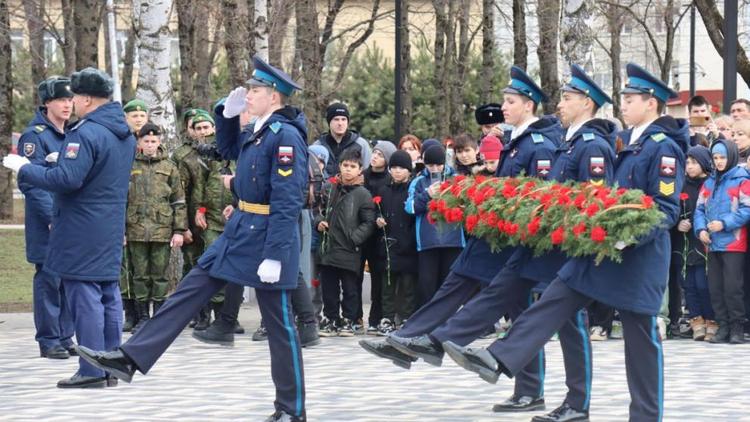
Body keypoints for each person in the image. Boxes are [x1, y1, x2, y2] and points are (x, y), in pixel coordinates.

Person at [441, 63, 688, 422]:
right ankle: (502, 357)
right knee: (558, 293)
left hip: (639, 256)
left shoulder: (662, 148)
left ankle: (646, 417)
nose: (624, 105)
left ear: (651, 103)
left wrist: (622, 235)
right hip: (602, 249)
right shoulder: (632, 142)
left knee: (641, 340)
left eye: (631, 99)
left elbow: (664, 209)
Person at [77, 56, 309, 422]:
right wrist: (226, 114)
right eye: (249, 89)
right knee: (189, 289)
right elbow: (230, 150)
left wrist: (277, 254)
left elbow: (288, 199)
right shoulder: (260, 130)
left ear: (275, 97)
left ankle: (292, 410)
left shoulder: (285, 137)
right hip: (240, 231)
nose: (248, 95)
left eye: (256, 90)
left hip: (266, 237)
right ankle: (130, 358)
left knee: (279, 325)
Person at [4, 67, 136, 388]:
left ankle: (91, 370)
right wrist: (57, 162)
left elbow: (68, 180)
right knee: (108, 294)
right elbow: (97, 176)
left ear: (87, 99)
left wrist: (26, 168)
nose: (72, 102)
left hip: (80, 226)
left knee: (84, 294)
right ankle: (110, 366)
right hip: (108, 224)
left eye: (75, 96)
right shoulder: (124, 133)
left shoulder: (86, 132)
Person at [17, 76, 76, 359]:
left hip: (72, 219)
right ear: (47, 102)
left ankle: (66, 335)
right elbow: (31, 182)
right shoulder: (35, 136)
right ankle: (49, 339)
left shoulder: (74, 132)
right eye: (61, 100)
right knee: (50, 279)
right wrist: (52, 217)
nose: (67, 105)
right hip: (48, 222)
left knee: (69, 278)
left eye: (70, 99)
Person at [126, 123, 186, 333]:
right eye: (146, 141)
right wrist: (122, 230)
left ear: (159, 142)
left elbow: (178, 200)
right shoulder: (129, 165)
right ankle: (142, 316)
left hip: (162, 229)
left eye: (153, 141)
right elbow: (121, 199)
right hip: (136, 228)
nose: (150, 145)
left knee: (160, 275)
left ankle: (159, 317)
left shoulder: (169, 167)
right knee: (140, 274)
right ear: (139, 142)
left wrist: (179, 230)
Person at [694, 139, 750, 344]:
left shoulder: (742, 180)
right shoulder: (709, 182)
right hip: (712, 242)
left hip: (733, 243)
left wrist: (724, 223)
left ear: (732, 157)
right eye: (715, 158)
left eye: (722, 157)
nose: (718, 162)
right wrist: (700, 230)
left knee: (733, 287)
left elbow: (746, 209)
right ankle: (723, 326)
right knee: (715, 287)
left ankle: (736, 327)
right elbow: (699, 209)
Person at [315, 148, 375, 336]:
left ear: (360, 169)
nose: (348, 170)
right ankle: (331, 318)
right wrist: (318, 222)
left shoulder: (363, 194)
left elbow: (368, 222)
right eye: (345, 165)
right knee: (329, 288)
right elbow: (317, 210)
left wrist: (354, 238)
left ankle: (349, 319)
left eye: (353, 166)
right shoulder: (330, 188)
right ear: (339, 166)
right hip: (329, 247)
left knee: (350, 288)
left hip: (349, 249)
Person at [406, 145, 466, 306]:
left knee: (448, 283)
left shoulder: (457, 179)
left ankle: (446, 320)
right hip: (427, 241)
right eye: (430, 165)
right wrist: (427, 195)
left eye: (438, 165)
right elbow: (409, 207)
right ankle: (424, 320)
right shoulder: (418, 181)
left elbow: (467, 205)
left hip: (453, 240)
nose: (435, 169)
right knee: (426, 284)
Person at [172, 110, 212, 330]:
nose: (203, 132)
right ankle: (199, 313)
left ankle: (225, 314)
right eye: (198, 128)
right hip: (191, 221)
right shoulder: (183, 156)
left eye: (207, 127)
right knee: (193, 268)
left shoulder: (223, 152)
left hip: (216, 219)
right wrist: (183, 226)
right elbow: (179, 193)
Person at [373, 150, 418, 335]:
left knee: (408, 286)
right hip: (388, 244)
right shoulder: (384, 190)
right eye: (394, 168)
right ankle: (387, 318)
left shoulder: (412, 189)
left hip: (408, 244)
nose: (398, 171)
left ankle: (407, 317)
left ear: (409, 170)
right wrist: (378, 219)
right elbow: (376, 211)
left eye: (402, 168)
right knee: (388, 286)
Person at [675, 146, 715, 341]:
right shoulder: (681, 184)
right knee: (688, 283)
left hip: (705, 240)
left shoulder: (710, 184)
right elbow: (673, 208)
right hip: (685, 241)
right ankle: (695, 319)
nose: (689, 167)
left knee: (703, 283)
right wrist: (678, 223)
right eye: (687, 163)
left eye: (694, 162)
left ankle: (711, 319)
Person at [362, 140, 398, 332]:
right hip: (361, 232)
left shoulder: (389, 180)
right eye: (374, 153)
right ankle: (354, 318)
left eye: (380, 154)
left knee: (378, 279)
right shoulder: (363, 176)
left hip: (379, 235)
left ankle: (376, 318)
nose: (375, 157)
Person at [313, 102, 371, 176]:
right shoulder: (318, 146)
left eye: (343, 119)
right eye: (336, 119)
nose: (340, 123)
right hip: (324, 187)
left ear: (347, 122)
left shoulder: (361, 144)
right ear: (329, 122)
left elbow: (368, 173)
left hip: (353, 187)